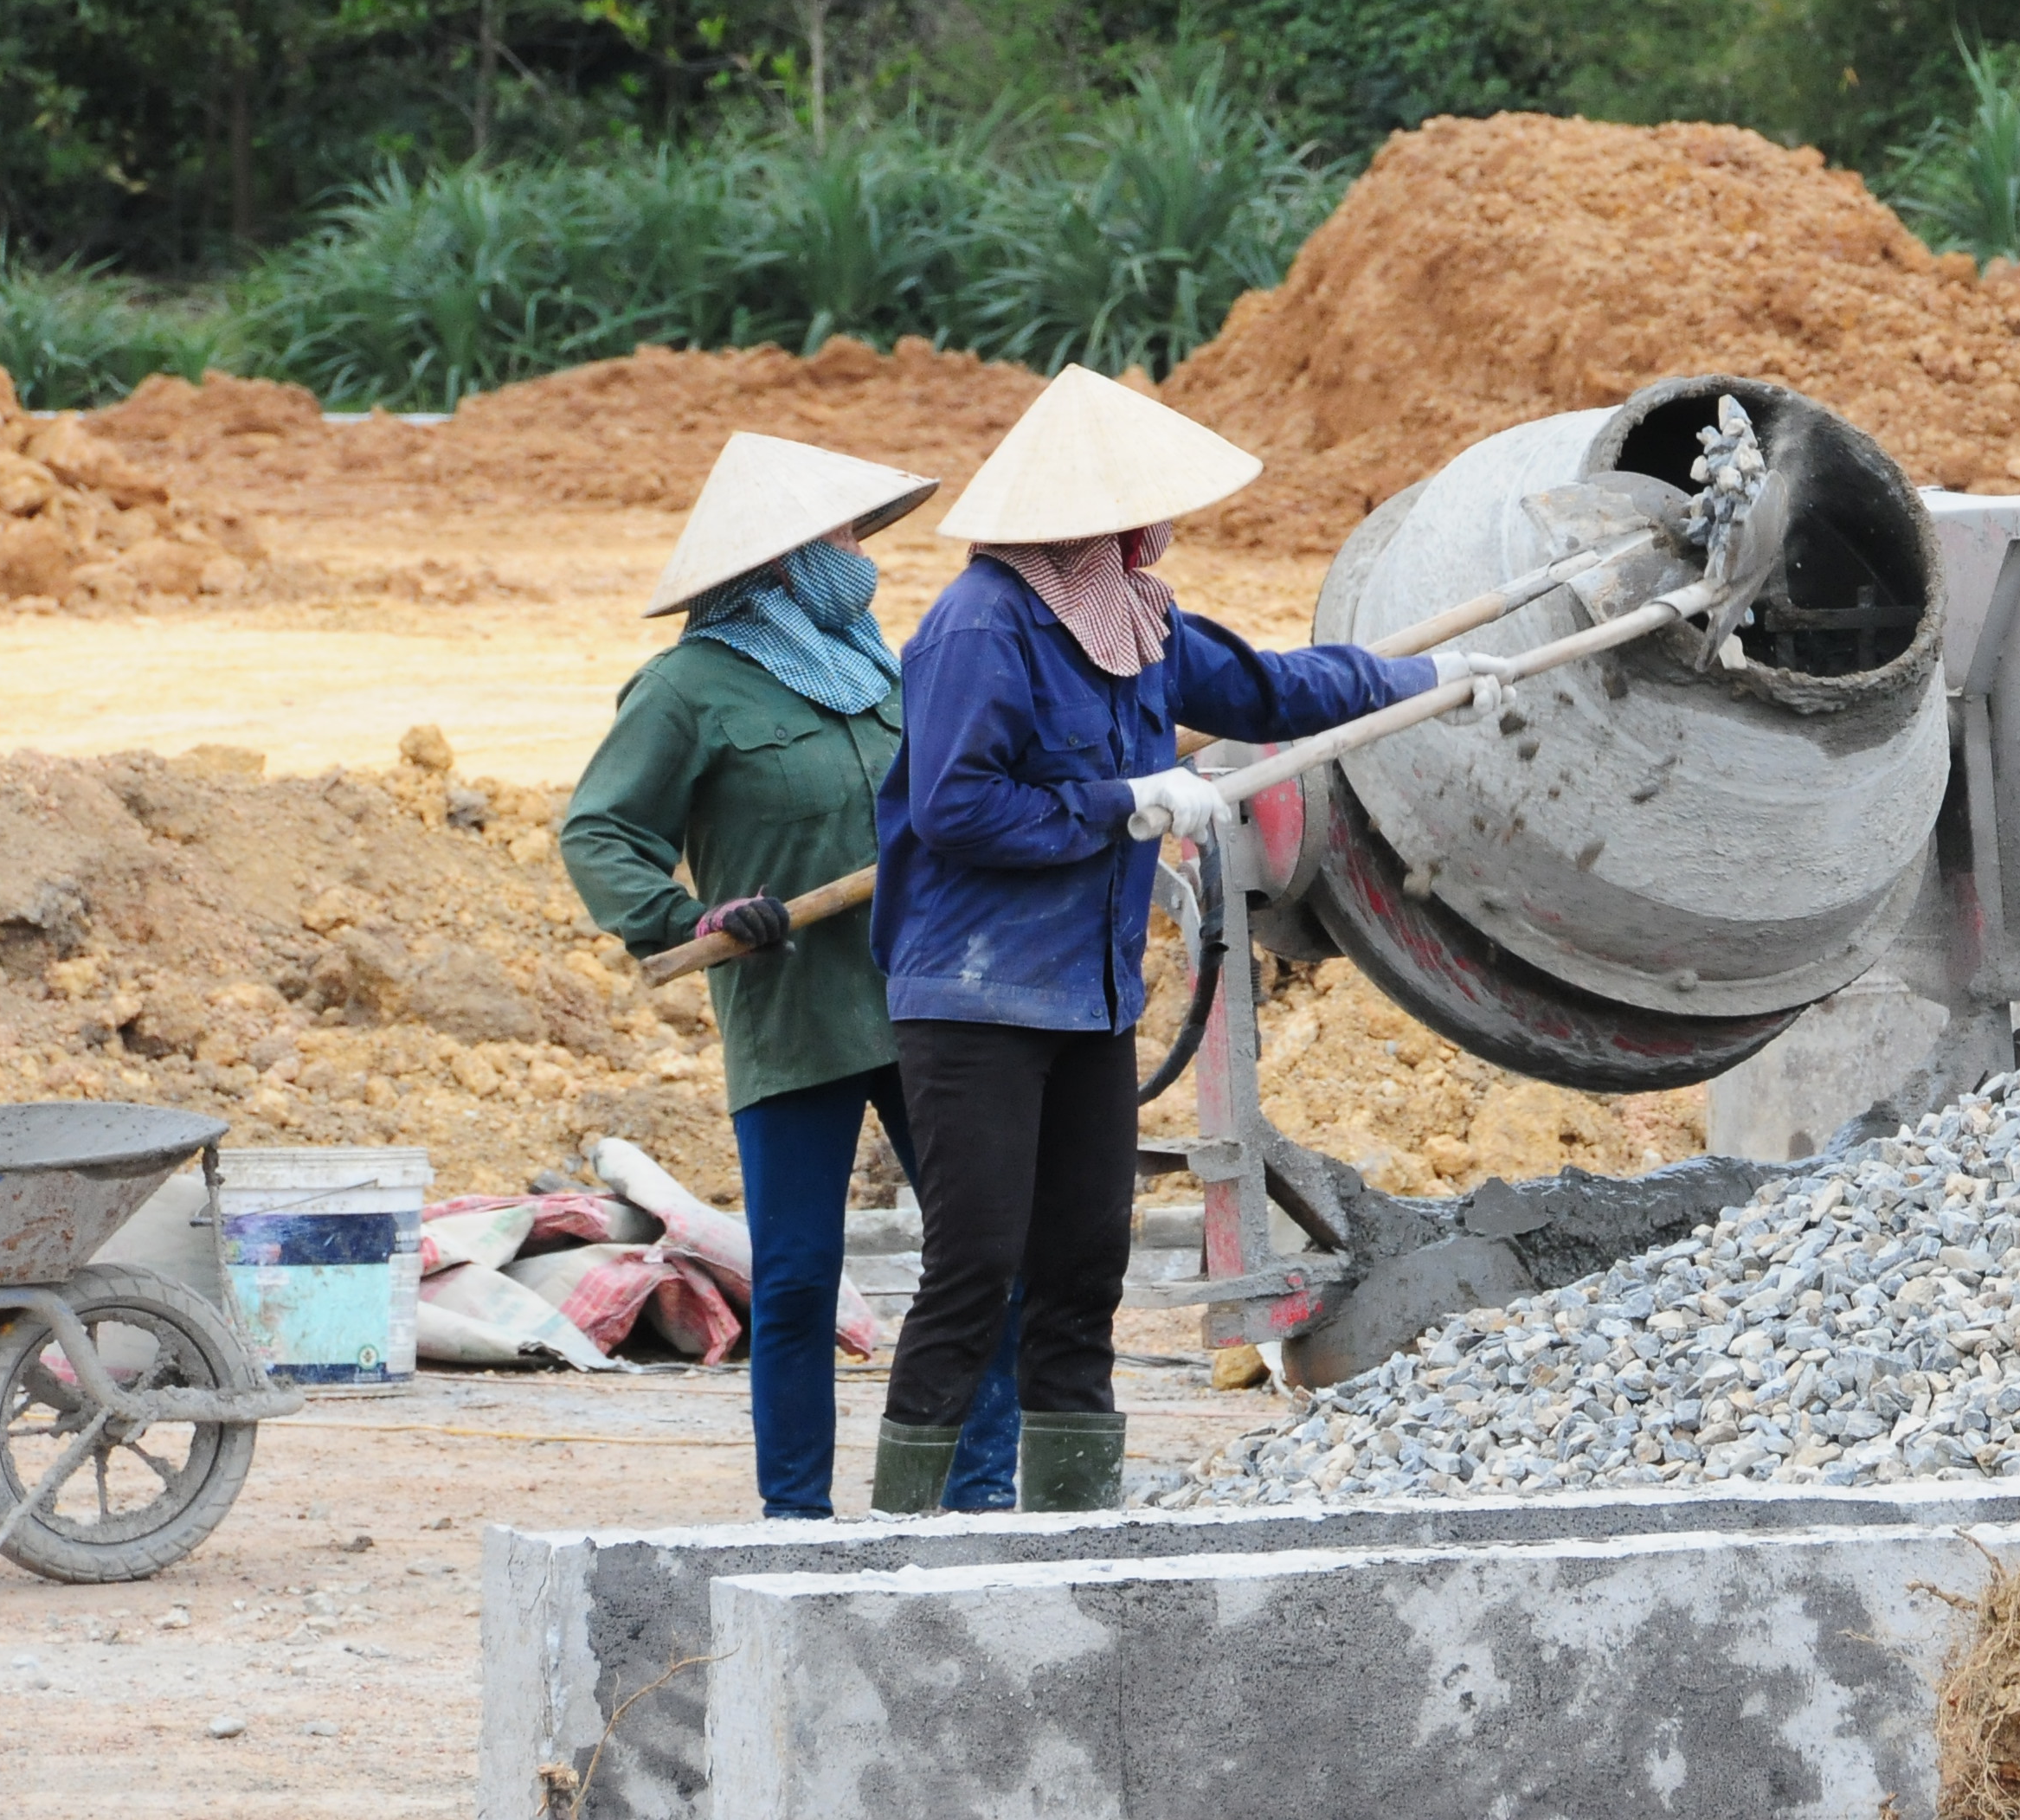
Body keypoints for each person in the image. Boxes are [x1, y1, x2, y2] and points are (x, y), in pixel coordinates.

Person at [866, 365, 1452, 1515]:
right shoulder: (981, 627)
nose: (1164, 529)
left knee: (1086, 1262)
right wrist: (1120, 804)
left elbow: (1272, 690)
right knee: (976, 1265)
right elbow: (954, 806)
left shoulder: (1137, 617)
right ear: (1097, 516)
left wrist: (1429, 680)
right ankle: (902, 1529)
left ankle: (1072, 1519)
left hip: (1086, 997)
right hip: (978, 995)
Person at [560, 433, 1022, 1520]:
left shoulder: (877, 663)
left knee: (982, 1251)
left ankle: (977, 1490)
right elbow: (601, 830)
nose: (860, 555)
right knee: (801, 1276)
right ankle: (797, 1516)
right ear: (779, 558)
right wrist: (687, 918)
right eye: (843, 535)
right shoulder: (687, 688)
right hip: (794, 1013)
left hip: (930, 1002)